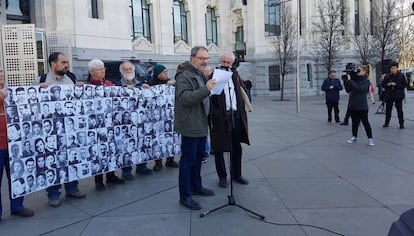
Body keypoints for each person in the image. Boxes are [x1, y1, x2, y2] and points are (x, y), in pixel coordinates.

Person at [32, 52, 86, 207]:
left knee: (70, 159)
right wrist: (37, 90)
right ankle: (53, 194)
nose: (67, 65)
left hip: (69, 129)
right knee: (52, 162)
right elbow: (31, 103)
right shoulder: (41, 81)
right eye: (63, 62)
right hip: (50, 132)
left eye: (67, 62)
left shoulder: (71, 79)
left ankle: (72, 188)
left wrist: (79, 88)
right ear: (53, 64)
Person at [175, 46, 216, 210]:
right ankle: (185, 195)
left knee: (199, 158)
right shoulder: (184, 75)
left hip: (200, 123)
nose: (204, 61)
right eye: (201, 58)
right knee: (187, 161)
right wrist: (206, 89)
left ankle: (196, 187)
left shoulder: (198, 74)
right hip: (190, 125)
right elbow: (185, 98)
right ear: (192, 58)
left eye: (206, 58)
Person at [209, 51, 250, 189]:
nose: (226, 64)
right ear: (220, 61)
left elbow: (242, 92)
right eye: (224, 62)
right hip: (220, 117)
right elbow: (210, 96)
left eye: (228, 62)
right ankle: (222, 177)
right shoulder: (213, 75)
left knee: (236, 147)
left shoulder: (235, 76)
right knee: (219, 148)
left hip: (235, 116)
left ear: (232, 63)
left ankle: (236, 174)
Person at [86, 59, 125, 191]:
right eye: (100, 69)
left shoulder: (109, 84)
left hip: (110, 124)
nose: (103, 71)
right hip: (96, 126)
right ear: (92, 72)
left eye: (104, 69)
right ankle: (98, 180)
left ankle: (111, 175)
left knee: (111, 150)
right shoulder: (88, 86)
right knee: (98, 153)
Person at [0, 70, 34, 220]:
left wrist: (43, 86)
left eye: (1, 72)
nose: (1, 75)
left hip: (14, 143)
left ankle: (17, 206)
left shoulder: (11, 92)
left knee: (17, 175)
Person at [117, 61, 152, 180]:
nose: (128, 71)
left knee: (141, 143)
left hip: (140, 120)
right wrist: (124, 90)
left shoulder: (141, 84)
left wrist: (146, 88)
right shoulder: (117, 86)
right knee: (127, 146)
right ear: (122, 72)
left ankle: (142, 166)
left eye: (130, 69)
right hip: (125, 122)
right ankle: (126, 171)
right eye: (126, 70)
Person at [142, 64, 179, 171]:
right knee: (157, 140)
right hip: (156, 118)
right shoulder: (150, 83)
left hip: (169, 116)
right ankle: (158, 162)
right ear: (158, 73)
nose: (166, 74)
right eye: (164, 72)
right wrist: (144, 87)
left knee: (169, 138)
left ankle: (170, 159)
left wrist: (173, 84)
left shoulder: (170, 82)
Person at [343, 65, 374, 146]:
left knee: (365, 122)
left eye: (359, 70)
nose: (357, 71)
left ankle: (370, 138)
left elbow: (360, 89)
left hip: (362, 106)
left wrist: (350, 81)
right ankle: (354, 136)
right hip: (353, 104)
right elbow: (348, 90)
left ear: (364, 71)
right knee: (354, 122)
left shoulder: (366, 81)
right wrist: (346, 81)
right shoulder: (355, 79)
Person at [381, 61, 407, 129]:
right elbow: (383, 85)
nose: (393, 69)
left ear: (397, 68)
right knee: (388, 109)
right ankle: (386, 122)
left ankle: (401, 123)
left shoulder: (401, 75)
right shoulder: (387, 76)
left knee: (399, 109)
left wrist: (396, 85)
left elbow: (404, 84)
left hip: (398, 95)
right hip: (389, 95)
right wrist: (387, 84)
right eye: (392, 68)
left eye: (395, 68)